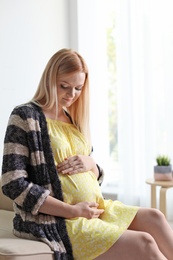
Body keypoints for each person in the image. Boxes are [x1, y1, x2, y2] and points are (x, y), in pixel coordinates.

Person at [1, 48, 173, 260]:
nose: (71, 95)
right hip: (58, 219)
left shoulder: (73, 118)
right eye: (64, 86)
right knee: (144, 242)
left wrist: (92, 165)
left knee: (155, 217)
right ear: (49, 79)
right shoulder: (25, 116)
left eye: (78, 88)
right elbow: (12, 182)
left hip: (94, 209)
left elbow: (93, 177)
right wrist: (71, 211)